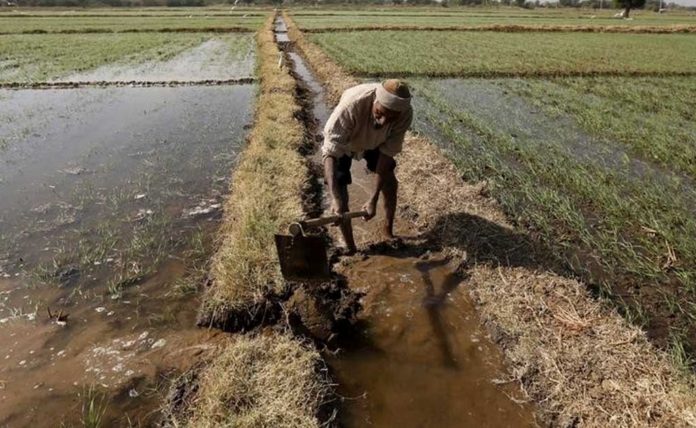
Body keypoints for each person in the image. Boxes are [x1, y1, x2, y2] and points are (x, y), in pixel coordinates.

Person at [322, 79, 413, 253]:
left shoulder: (405, 114)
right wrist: (335, 198)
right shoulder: (351, 106)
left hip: (375, 142)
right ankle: (351, 247)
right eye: (380, 113)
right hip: (347, 141)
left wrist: (373, 198)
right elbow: (330, 153)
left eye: (391, 118)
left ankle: (388, 231)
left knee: (390, 182)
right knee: (340, 196)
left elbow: (386, 157)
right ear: (374, 101)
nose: (384, 121)